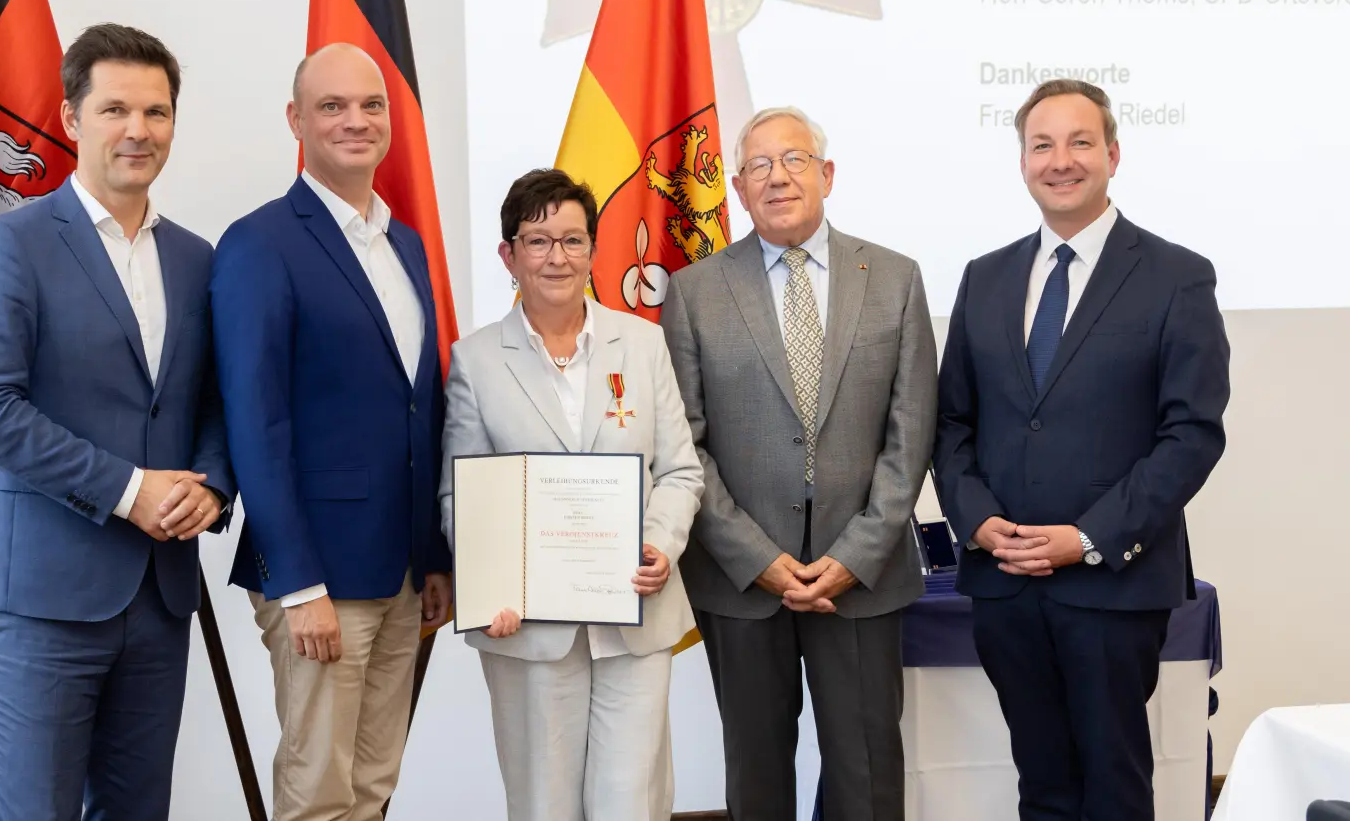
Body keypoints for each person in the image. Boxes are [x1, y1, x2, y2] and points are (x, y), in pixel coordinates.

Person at [0, 23, 234, 820]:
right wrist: (129, 490)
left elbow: (213, 398)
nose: (137, 131)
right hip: (41, 595)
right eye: (114, 110)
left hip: (160, 595)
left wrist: (211, 489)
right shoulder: (10, 247)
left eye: (156, 112)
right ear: (72, 119)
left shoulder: (197, 259)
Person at [934, 78, 1230, 820]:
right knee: (1042, 784)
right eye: (1042, 144)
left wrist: (1089, 536)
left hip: (1113, 587)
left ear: (1113, 153)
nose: (1059, 160)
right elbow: (952, 423)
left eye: (1079, 142)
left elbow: (1192, 433)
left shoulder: (1176, 276)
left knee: (1114, 782)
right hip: (1005, 584)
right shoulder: (985, 276)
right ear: (1023, 161)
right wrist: (975, 520)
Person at [660, 106, 936, 821]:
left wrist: (856, 553)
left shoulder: (896, 279)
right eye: (758, 166)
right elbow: (685, 445)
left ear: (827, 174)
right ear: (739, 189)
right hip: (743, 583)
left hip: (863, 577)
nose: (777, 176)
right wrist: (759, 559)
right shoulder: (693, 293)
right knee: (755, 777)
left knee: (869, 774)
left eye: (794, 160)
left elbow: (911, 438)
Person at [210, 42, 452, 821]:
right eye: (333, 106)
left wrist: (435, 558)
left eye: (372, 105)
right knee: (318, 791)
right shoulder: (260, 243)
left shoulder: (404, 243)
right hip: (319, 575)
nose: (357, 120)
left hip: (402, 570)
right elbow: (256, 421)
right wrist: (298, 581)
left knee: (374, 783)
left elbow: (420, 408)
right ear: (296, 121)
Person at [438, 168, 704, 821]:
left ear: (593, 249)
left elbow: (679, 471)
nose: (557, 257)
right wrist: (489, 583)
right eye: (537, 240)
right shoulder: (475, 359)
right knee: (544, 806)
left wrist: (659, 545)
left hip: (635, 618)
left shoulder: (642, 344)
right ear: (509, 255)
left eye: (572, 240)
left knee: (630, 804)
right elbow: (461, 495)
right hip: (526, 626)